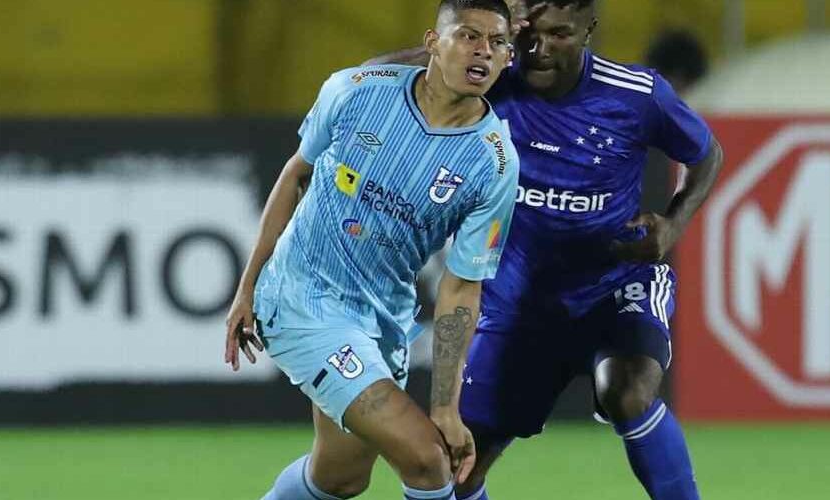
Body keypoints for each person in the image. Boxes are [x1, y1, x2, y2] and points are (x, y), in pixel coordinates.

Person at [367, 1, 724, 499]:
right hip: (517, 305)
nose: (539, 49)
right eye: (528, 35)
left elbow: (707, 155)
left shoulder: (637, 96)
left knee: (626, 390)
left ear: (588, 31)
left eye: (559, 34)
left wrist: (672, 224)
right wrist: (465, 42)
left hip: (613, 287)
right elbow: (371, 77)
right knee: (456, 469)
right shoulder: (492, 78)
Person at [224, 1, 521, 499]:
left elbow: (462, 287)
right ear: (433, 43)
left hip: (382, 321)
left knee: (339, 478)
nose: (483, 51)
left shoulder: (494, 163)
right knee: (427, 459)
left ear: (508, 58)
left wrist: (446, 406)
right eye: (469, 36)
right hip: (301, 300)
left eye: (497, 42)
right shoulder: (356, 90)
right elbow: (296, 174)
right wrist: (247, 288)